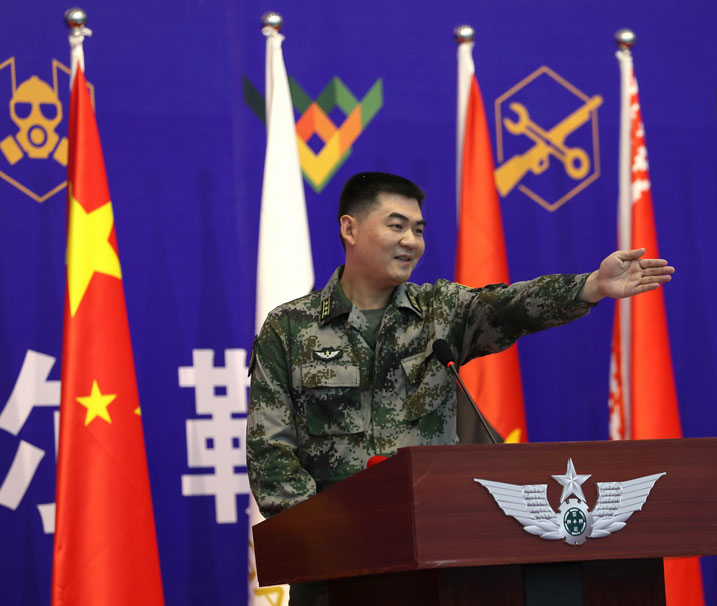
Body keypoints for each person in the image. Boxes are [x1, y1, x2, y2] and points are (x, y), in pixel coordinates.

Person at [246, 171, 673, 602]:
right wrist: (321, 537)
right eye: (396, 226)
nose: (411, 241)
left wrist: (590, 287)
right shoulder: (290, 328)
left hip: (437, 563)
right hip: (332, 571)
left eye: (418, 229)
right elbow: (271, 448)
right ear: (349, 228)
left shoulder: (440, 311)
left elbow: (510, 307)